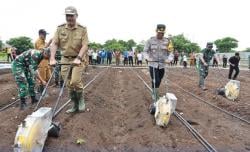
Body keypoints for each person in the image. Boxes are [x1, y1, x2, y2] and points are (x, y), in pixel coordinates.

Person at [50, 6, 89, 113]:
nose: (69, 18)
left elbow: (85, 45)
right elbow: (54, 43)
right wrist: (52, 58)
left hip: (78, 59)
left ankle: (81, 99)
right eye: (67, 15)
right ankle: (74, 104)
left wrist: (79, 58)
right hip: (65, 60)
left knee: (75, 81)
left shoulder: (82, 29)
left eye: (71, 15)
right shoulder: (60, 28)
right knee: (68, 84)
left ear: (76, 16)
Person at [143, 24, 172, 100]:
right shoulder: (150, 41)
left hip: (162, 64)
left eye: (162, 33)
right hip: (153, 64)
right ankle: (155, 95)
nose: (161, 34)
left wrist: (169, 59)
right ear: (156, 31)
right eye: (159, 32)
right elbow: (145, 51)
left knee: (159, 80)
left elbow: (170, 52)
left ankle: (155, 90)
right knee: (156, 80)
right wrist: (147, 58)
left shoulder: (167, 41)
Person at [34, 29, 52, 94]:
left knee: (49, 77)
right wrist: (49, 43)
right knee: (42, 77)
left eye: (45, 35)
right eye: (44, 35)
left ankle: (41, 90)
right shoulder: (38, 41)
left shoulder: (44, 42)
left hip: (46, 61)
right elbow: (42, 51)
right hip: (41, 62)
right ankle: (41, 92)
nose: (45, 36)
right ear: (40, 34)